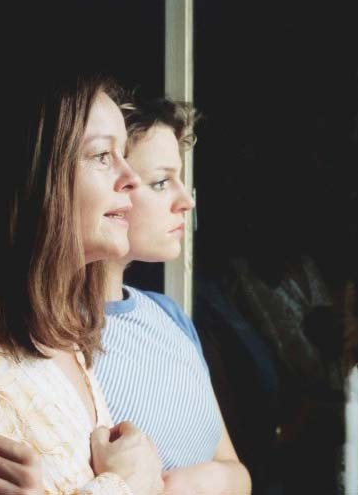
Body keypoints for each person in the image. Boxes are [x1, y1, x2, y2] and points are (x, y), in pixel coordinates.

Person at [0, 74, 164, 495]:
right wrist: (129, 484)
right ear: (36, 177)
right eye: (103, 155)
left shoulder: (70, 340)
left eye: (124, 154)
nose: (130, 177)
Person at [94, 98, 251, 494]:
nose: (187, 201)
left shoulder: (169, 316)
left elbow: (237, 472)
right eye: (161, 182)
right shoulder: (57, 337)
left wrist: (191, 484)